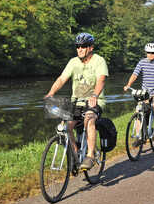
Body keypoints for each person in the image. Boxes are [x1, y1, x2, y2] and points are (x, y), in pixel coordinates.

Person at [45, 32, 109, 170]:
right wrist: (51, 92)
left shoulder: (99, 61)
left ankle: (90, 156)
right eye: (77, 46)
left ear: (90, 48)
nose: (79, 49)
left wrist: (95, 96)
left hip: (95, 101)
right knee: (66, 127)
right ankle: (75, 152)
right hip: (76, 102)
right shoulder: (73, 62)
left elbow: (101, 80)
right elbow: (62, 79)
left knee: (89, 119)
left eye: (83, 46)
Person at [123, 42, 154, 130]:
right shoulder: (142, 62)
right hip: (146, 91)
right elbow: (135, 75)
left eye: (153, 53)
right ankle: (138, 136)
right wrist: (128, 85)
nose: (150, 55)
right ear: (146, 53)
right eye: (148, 52)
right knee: (139, 110)